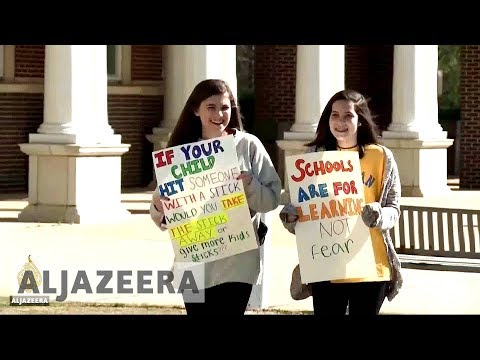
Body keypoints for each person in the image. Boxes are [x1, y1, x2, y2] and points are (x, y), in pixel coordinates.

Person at [150, 79, 282, 315]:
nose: (219, 114)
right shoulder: (180, 153)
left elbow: (271, 199)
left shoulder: (249, 146)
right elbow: (161, 206)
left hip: (237, 263)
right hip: (194, 262)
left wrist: (250, 185)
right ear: (195, 109)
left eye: (225, 107)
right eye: (211, 107)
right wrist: (161, 210)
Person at [280, 89, 403, 315]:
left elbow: (393, 209)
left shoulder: (381, 156)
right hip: (326, 265)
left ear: (361, 121)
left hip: (371, 266)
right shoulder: (312, 158)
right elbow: (297, 211)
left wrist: (379, 215)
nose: (340, 121)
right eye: (334, 115)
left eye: (348, 115)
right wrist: (290, 216)